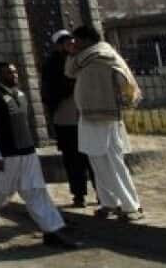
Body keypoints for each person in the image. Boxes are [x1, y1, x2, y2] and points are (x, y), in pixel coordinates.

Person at [0, 62, 79, 248]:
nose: (14, 75)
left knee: (36, 191)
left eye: (15, 72)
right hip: (5, 157)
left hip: (28, 154)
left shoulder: (21, 95)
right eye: (9, 72)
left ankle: (52, 230)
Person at [65, 25, 144, 221]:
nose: (75, 44)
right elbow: (70, 72)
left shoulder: (101, 56)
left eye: (77, 40)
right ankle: (109, 203)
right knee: (97, 161)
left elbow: (124, 84)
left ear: (87, 40)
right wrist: (73, 54)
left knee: (111, 162)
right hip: (92, 117)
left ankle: (130, 206)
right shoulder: (87, 58)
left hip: (104, 117)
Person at [40, 29, 94, 207]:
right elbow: (52, 91)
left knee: (92, 157)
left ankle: (102, 193)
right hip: (66, 117)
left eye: (72, 42)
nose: (71, 45)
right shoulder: (52, 65)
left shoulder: (83, 59)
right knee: (73, 160)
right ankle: (79, 195)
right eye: (66, 43)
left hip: (86, 117)